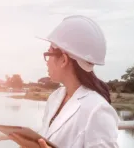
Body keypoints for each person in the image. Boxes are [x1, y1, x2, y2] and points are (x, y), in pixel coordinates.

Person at [9, 15, 120, 148]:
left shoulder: (97, 110)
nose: (47, 61)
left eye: (48, 54)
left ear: (63, 60)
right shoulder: (55, 97)